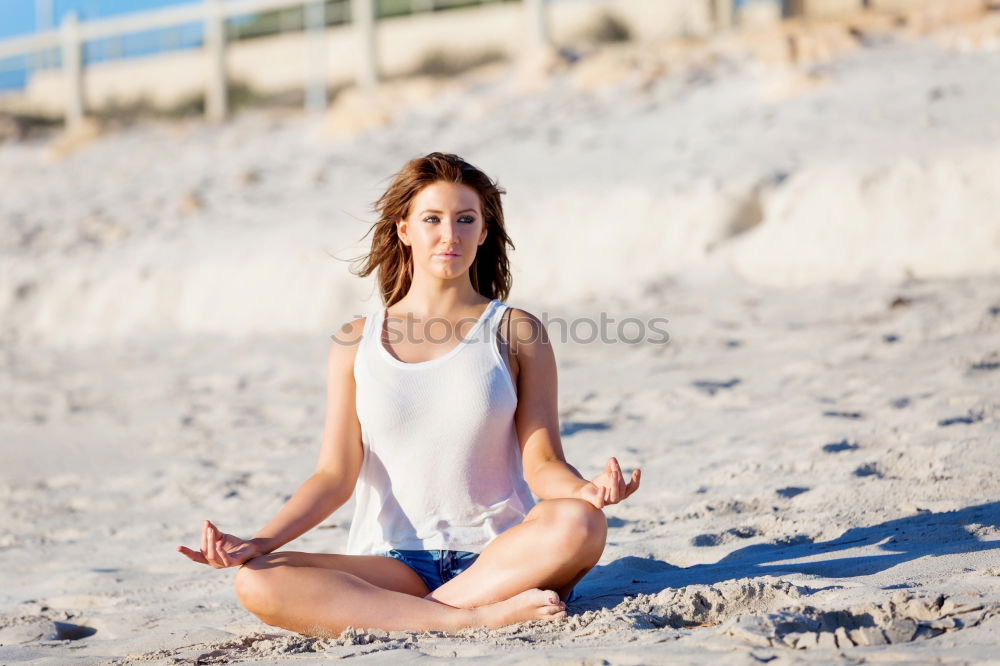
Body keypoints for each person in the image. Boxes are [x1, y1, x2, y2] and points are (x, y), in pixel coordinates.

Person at [177, 152, 641, 636]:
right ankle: (473, 618)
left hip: (501, 558)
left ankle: (422, 617)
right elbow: (335, 474)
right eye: (433, 219)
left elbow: (541, 460)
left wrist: (582, 491)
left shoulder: (515, 331)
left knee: (581, 523)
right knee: (258, 581)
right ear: (404, 229)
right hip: (392, 564)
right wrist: (259, 541)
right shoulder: (355, 341)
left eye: (466, 219)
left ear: (484, 232)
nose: (450, 235)